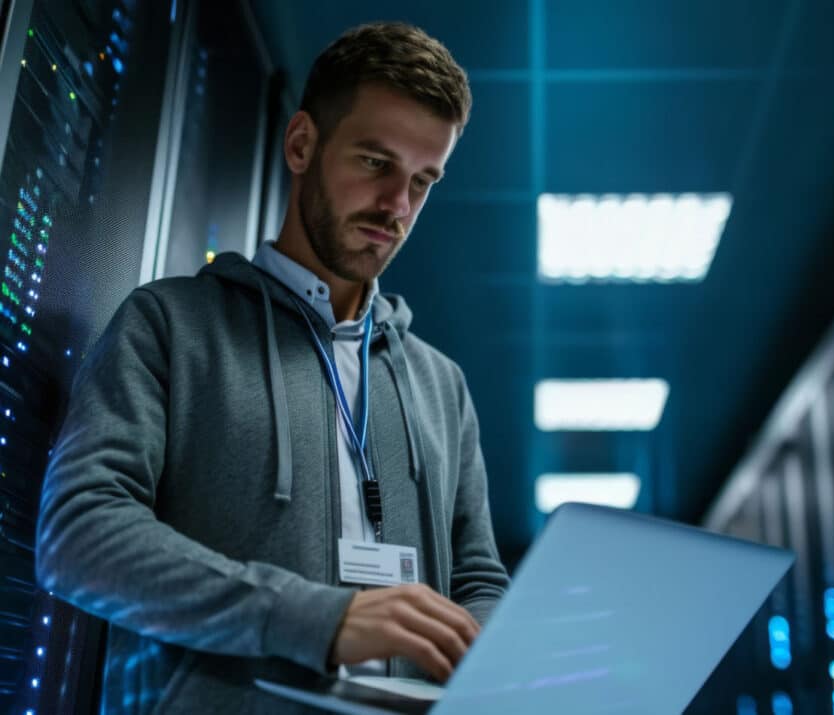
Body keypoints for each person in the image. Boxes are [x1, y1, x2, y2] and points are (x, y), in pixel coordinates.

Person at [35, 21, 509, 714]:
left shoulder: (442, 386)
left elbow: (478, 577)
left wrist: (498, 660)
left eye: (423, 180)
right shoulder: (170, 326)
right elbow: (78, 533)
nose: (398, 207)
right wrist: (320, 618)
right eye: (376, 163)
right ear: (301, 145)